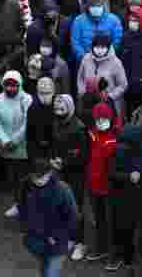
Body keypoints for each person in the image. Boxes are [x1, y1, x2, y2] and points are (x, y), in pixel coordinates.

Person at [110, 123, 142, 275]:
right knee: (127, 231)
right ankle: (128, 262)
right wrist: (127, 176)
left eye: (127, 143)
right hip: (127, 199)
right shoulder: (119, 151)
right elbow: (112, 173)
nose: (124, 146)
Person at [21, 155, 80, 277]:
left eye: (42, 177)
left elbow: (73, 215)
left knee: (51, 272)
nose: (39, 180)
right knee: (44, 268)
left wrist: (67, 237)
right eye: (35, 177)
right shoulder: (26, 185)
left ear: (49, 173)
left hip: (58, 241)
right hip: (38, 239)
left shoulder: (62, 189)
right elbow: (23, 207)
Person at [52, 93, 89, 261]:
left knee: (76, 207)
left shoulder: (79, 127)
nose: (58, 108)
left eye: (62, 106)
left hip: (76, 174)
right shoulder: (56, 123)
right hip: (60, 171)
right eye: (56, 106)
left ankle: (80, 243)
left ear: (70, 106)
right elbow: (55, 146)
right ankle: (69, 238)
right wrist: (54, 160)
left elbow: (82, 155)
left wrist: (64, 162)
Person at [0, 69, 33, 219]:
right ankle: (18, 203)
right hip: (6, 146)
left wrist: (14, 140)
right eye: (7, 85)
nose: (10, 88)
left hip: (21, 146)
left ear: (20, 85)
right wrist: (5, 140)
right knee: (13, 178)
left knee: (24, 178)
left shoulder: (27, 99)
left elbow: (27, 123)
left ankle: (27, 206)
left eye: (14, 85)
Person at [85, 102, 119, 265]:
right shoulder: (91, 135)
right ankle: (101, 248)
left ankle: (114, 254)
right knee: (99, 219)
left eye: (104, 118)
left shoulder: (115, 138)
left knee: (111, 221)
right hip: (94, 185)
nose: (100, 122)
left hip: (109, 187)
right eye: (98, 119)